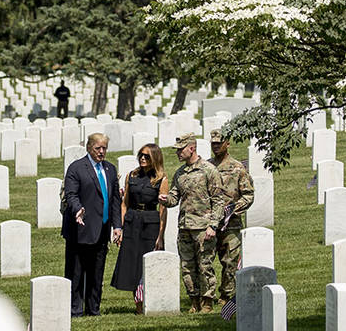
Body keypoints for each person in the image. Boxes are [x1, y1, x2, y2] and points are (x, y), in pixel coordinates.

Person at [159, 132, 224, 314]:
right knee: (187, 267)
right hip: (185, 227)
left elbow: (218, 200)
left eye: (181, 150)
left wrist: (213, 225)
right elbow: (175, 197)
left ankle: (207, 302)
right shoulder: (180, 173)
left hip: (204, 227)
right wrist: (165, 199)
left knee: (205, 265)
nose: (178, 153)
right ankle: (194, 300)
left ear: (192, 148)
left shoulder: (208, 170)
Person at [61, 132, 122, 316]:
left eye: (104, 148)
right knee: (76, 272)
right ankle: (75, 309)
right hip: (80, 228)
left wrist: (117, 226)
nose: (101, 152)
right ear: (89, 147)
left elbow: (115, 201)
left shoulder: (110, 169)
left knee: (97, 273)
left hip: (102, 229)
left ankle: (93, 309)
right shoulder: (77, 168)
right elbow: (71, 194)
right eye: (98, 148)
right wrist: (77, 209)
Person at [110, 143, 169, 314]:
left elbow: (163, 211)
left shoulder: (162, 179)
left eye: (147, 156)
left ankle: (148, 300)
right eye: (141, 155)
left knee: (147, 263)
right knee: (131, 263)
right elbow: (124, 204)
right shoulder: (132, 176)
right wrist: (119, 228)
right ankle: (137, 303)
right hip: (132, 221)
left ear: (155, 158)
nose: (142, 158)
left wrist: (161, 236)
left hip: (150, 223)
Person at [208, 128, 255, 309]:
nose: (216, 146)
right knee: (207, 261)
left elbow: (248, 194)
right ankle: (207, 296)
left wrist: (234, 209)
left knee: (230, 261)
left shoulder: (237, 168)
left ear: (227, 143)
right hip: (210, 223)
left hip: (231, 223)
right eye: (214, 143)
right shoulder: (207, 166)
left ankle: (227, 294)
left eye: (220, 143)